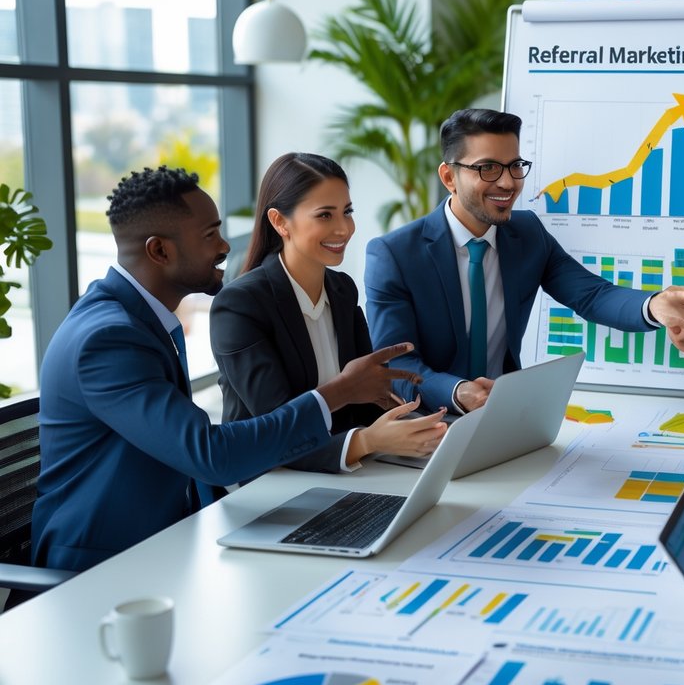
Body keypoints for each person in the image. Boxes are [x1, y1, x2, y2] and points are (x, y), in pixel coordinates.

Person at [32, 167, 415, 571]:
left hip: (173, 538)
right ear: (160, 251)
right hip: (99, 566)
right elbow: (209, 454)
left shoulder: (140, 319)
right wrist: (339, 390)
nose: (224, 245)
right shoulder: (108, 339)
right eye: (209, 235)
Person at [364, 108, 684, 414]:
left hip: (505, 422)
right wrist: (458, 392)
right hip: (430, 427)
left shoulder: (527, 234)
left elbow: (592, 296)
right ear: (449, 177)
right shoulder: (394, 255)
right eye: (488, 168)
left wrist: (653, 305)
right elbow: (397, 364)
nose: (507, 183)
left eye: (514, 165)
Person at [210, 153, 447, 473]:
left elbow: (364, 400)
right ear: (280, 222)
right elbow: (277, 429)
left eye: (347, 212)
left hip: (345, 467)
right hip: (272, 478)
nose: (343, 229)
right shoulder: (240, 305)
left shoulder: (341, 290)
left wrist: (411, 423)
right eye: (324, 215)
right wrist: (366, 441)